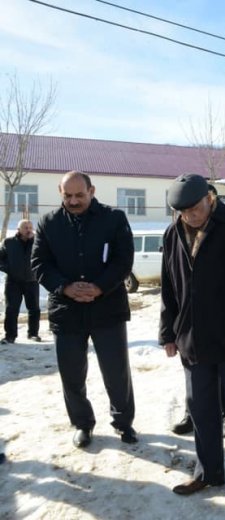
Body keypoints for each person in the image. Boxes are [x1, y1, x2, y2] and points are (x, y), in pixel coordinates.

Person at [159, 174, 225, 512]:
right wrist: (168, 332)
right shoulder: (173, 233)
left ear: (209, 197)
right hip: (192, 340)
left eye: (194, 208)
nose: (190, 216)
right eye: (183, 211)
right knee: (201, 411)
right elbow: (169, 288)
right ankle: (208, 472)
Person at [31, 171, 137, 448]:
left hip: (107, 308)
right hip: (66, 312)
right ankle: (82, 423)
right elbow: (40, 264)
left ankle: (123, 422)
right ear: (60, 192)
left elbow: (123, 259)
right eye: (68, 196)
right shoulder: (48, 223)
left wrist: (100, 286)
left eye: (79, 195)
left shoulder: (113, 219)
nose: (74, 201)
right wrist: (64, 287)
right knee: (71, 374)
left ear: (92, 191)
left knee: (116, 372)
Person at [0, 219, 41, 343]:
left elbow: (45, 258)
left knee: (34, 309)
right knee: (11, 309)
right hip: (13, 282)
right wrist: (9, 269)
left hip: (32, 280)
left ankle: (33, 334)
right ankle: (10, 336)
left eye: (30, 227)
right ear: (19, 230)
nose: (28, 230)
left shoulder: (37, 243)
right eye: (25, 227)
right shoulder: (9, 243)